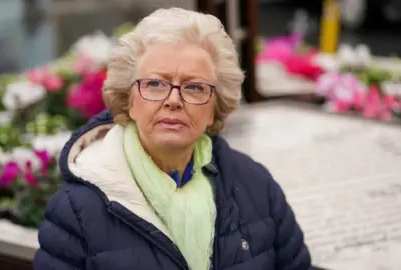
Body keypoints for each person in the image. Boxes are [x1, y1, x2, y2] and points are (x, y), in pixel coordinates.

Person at [34, 7, 311, 270]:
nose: (174, 100)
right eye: (155, 84)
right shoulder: (76, 210)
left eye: (194, 87)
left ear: (215, 108)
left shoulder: (256, 185)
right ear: (128, 100)